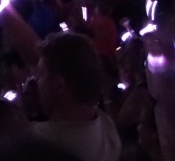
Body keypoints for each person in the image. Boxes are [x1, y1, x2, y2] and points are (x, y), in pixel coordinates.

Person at [31, 33, 121, 161]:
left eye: (41, 74)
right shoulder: (108, 129)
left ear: (59, 84)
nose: (36, 80)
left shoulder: (35, 143)